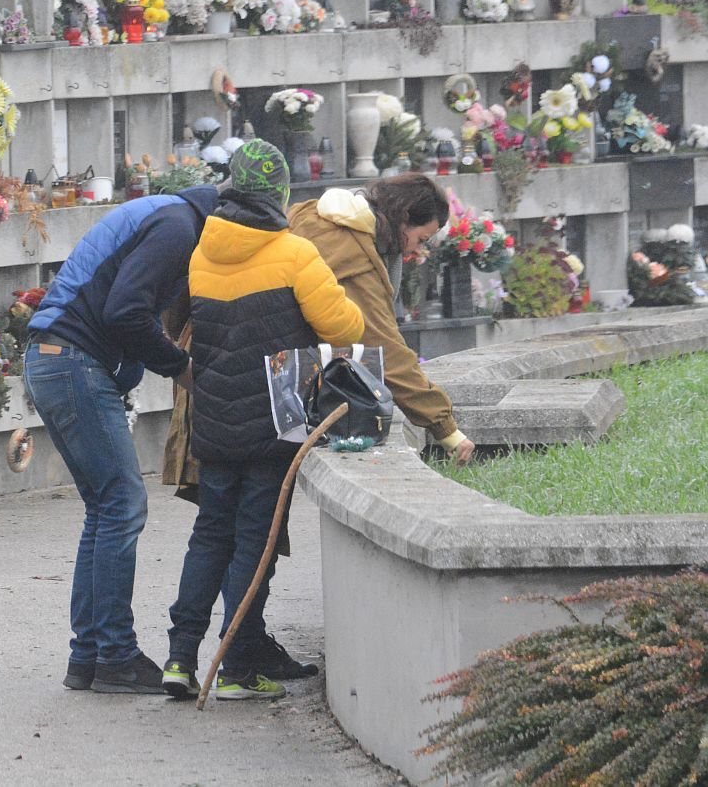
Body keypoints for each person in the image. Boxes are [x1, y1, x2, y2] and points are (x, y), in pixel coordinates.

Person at [164, 140, 363, 701]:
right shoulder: (294, 253)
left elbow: (185, 325)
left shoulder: (201, 253)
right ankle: (237, 666)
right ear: (278, 194)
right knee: (255, 542)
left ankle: (179, 659)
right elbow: (343, 327)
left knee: (209, 534)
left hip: (214, 420)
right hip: (275, 423)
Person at [23, 182, 219, 695]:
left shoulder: (167, 216)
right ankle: (115, 656)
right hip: (73, 361)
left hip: (54, 359)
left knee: (106, 508)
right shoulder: (179, 227)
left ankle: (87, 658)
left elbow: (128, 306)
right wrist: (181, 368)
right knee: (124, 504)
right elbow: (126, 311)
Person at [287, 173, 475, 463]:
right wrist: (446, 428)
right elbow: (383, 347)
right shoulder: (352, 253)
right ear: (404, 218)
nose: (418, 249)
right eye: (421, 239)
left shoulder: (315, 214)